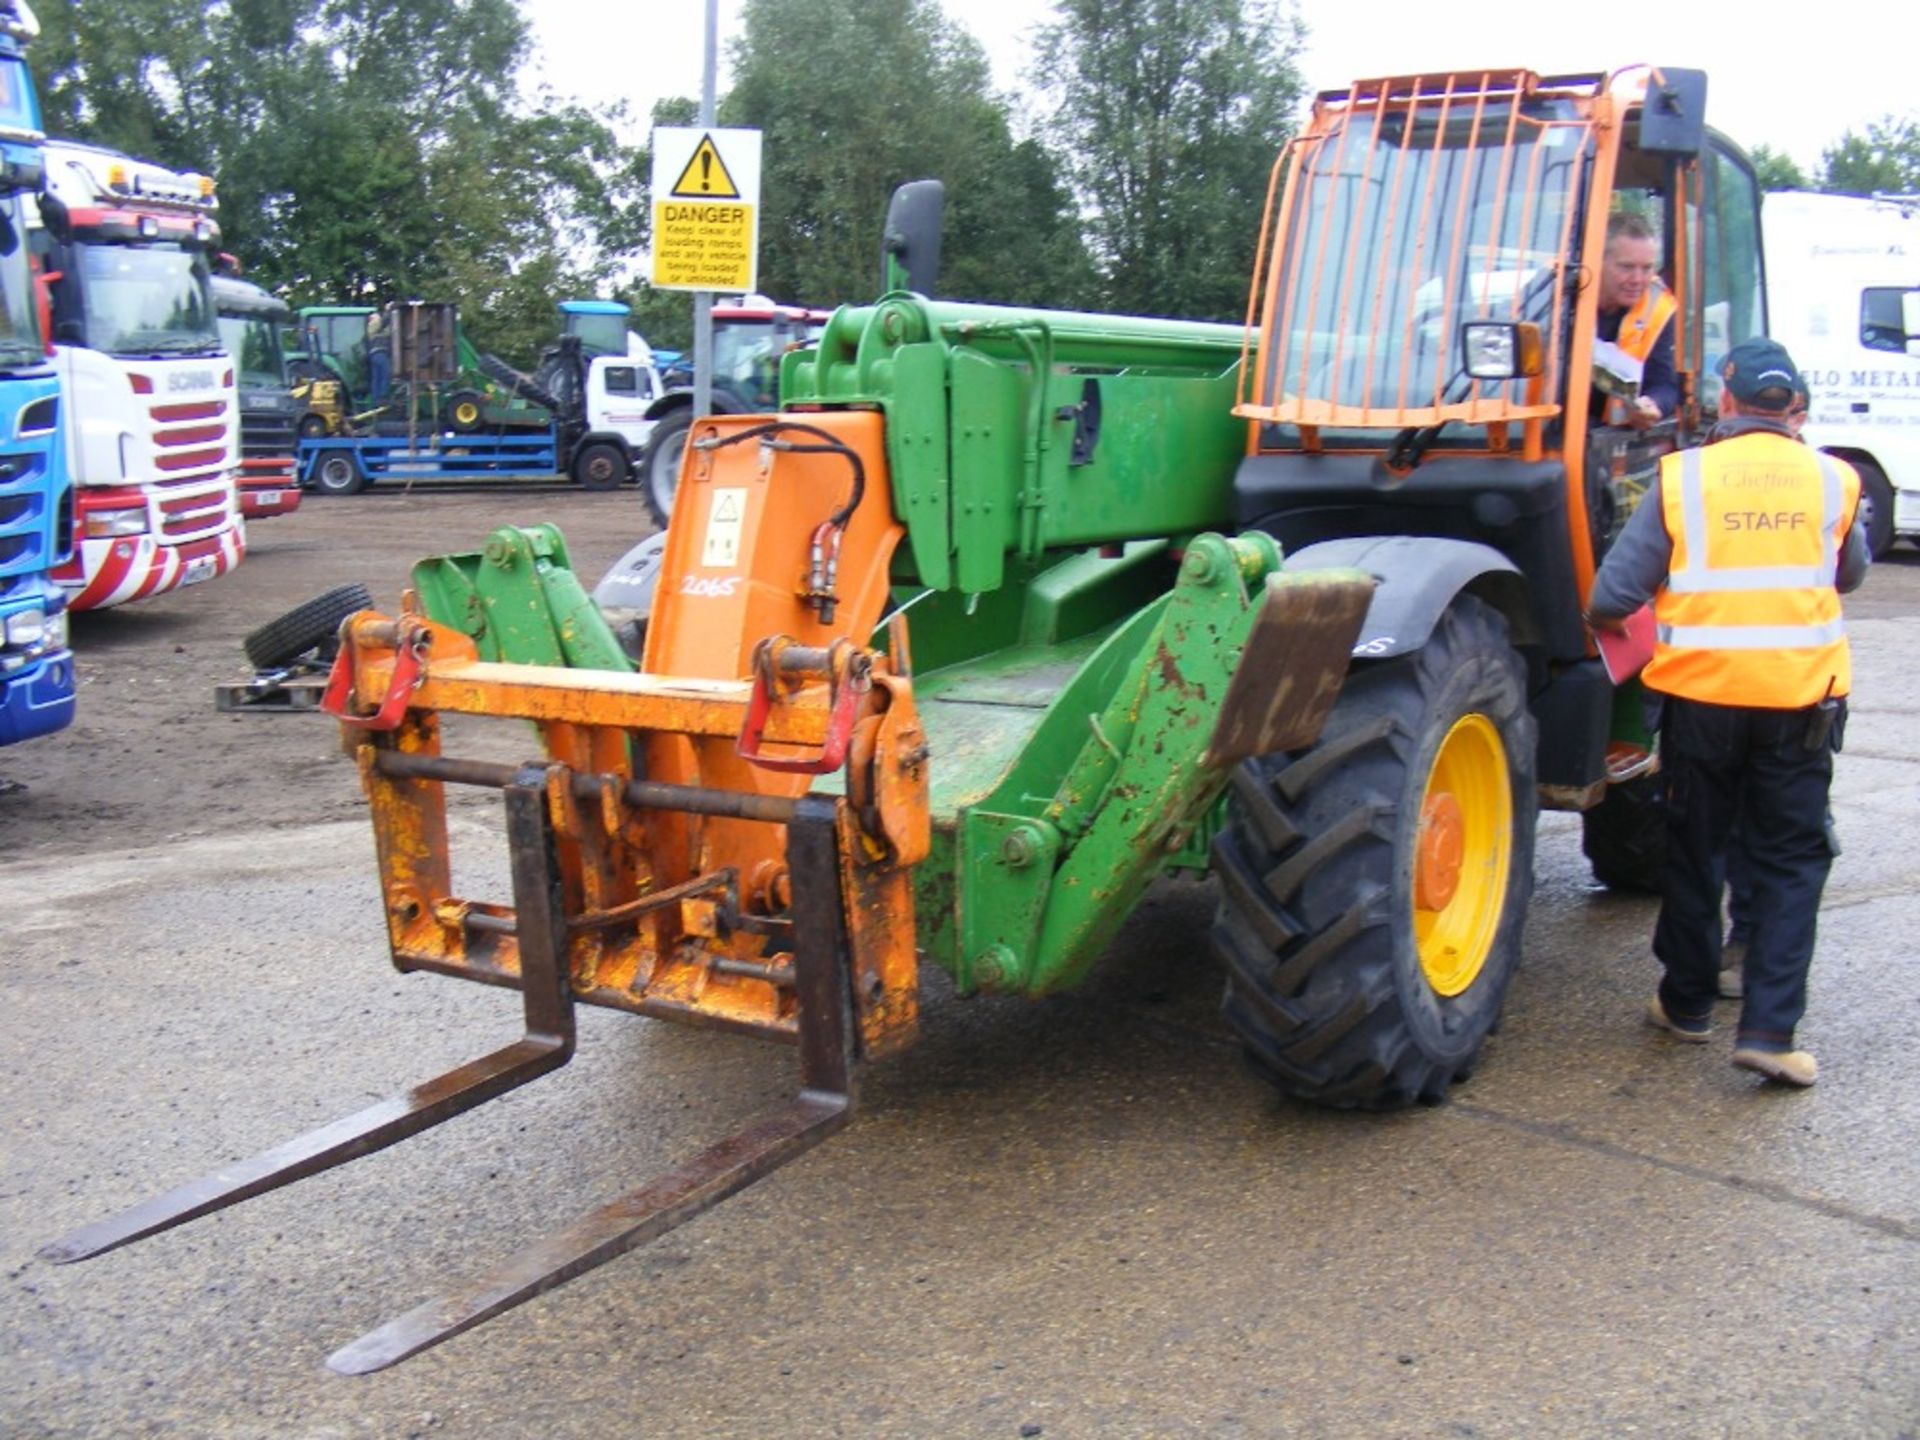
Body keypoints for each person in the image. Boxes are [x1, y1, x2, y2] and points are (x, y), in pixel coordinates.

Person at [1587, 338, 1869, 1087]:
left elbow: (1610, 598)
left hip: (1701, 703)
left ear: (1727, 399)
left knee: (1694, 849)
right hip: (1798, 705)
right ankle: (1772, 1032)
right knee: (1790, 861)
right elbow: (1853, 571)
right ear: (1793, 409)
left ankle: (1686, 1007)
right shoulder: (1833, 480)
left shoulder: (1684, 479)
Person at [1594, 212, 1678, 430]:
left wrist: (1654, 405)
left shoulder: (1658, 307)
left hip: (1613, 437)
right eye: (1627, 267)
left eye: (1647, 268)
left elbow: (1664, 383)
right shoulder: (1559, 297)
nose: (1638, 280)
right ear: (1598, 260)